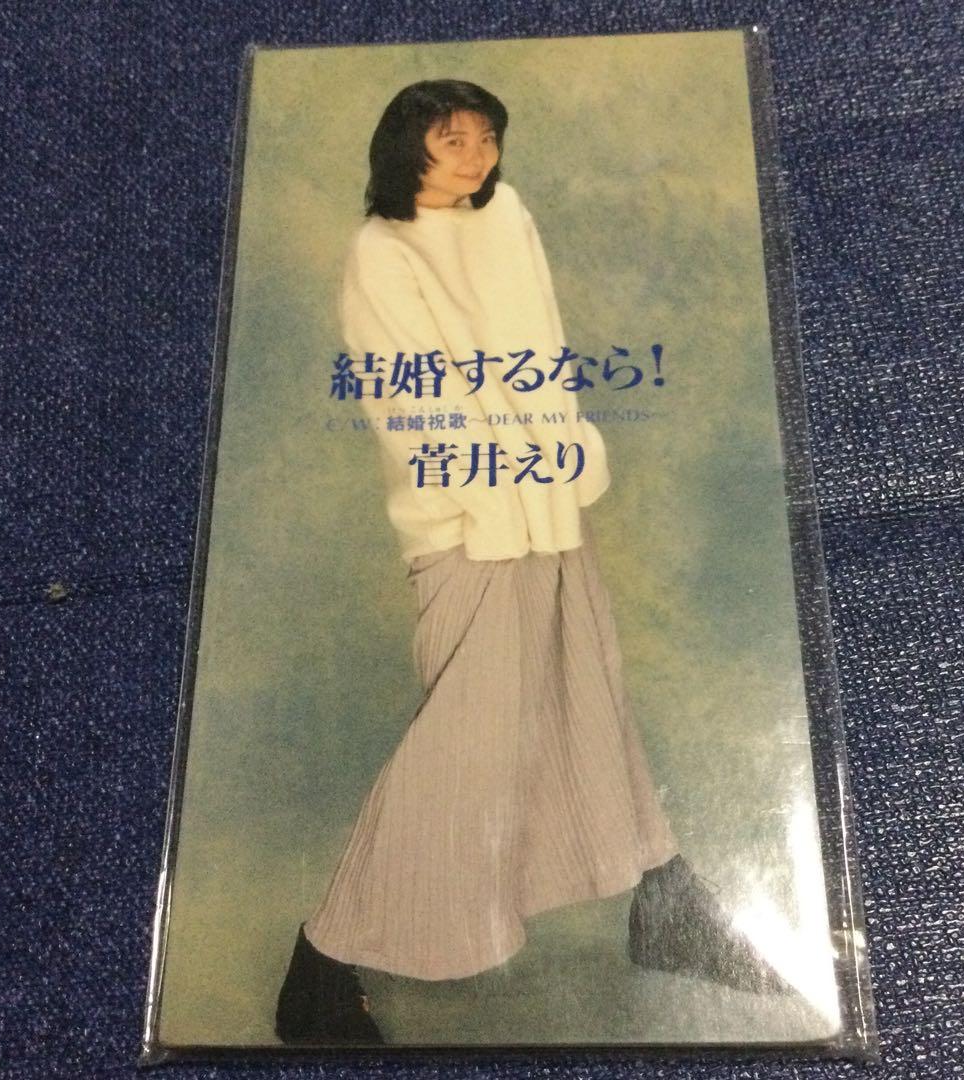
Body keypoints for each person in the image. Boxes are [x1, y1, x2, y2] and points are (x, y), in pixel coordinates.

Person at [274, 79, 788, 1046]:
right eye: (452, 140)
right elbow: (408, 401)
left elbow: (543, 360)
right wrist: (491, 495)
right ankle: (323, 962)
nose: (476, 156)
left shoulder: (507, 217)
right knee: (466, 740)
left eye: (487, 138)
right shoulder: (381, 251)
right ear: (407, 148)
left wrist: (568, 458)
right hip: (470, 522)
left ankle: (664, 903)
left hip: (548, 508)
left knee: (590, 701)